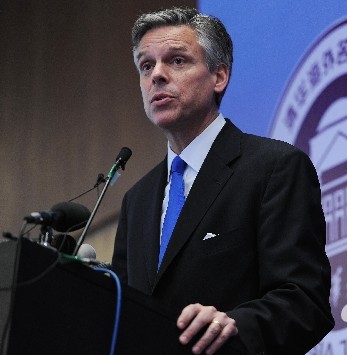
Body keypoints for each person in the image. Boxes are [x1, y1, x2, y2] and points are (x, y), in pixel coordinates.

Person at [112, 7, 334, 354]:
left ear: (219, 76)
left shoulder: (274, 168)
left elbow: (305, 301)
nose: (156, 75)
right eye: (146, 65)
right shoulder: (137, 200)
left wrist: (234, 324)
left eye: (177, 61)